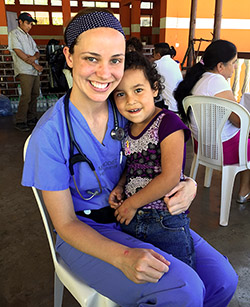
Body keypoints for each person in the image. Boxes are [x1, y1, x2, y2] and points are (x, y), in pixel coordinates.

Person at [22, 9, 237, 306]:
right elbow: (66, 223)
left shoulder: (127, 110)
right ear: (69, 57)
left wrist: (188, 183)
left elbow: (158, 160)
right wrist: (121, 257)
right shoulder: (51, 134)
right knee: (183, 290)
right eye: (91, 58)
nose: (105, 73)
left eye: (115, 60)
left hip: (144, 215)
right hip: (87, 231)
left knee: (223, 280)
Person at [109, 51, 195, 269]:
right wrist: (120, 187)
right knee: (145, 279)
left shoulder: (168, 123)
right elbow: (133, 165)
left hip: (165, 220)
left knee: (180, 276)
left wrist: (131, 203)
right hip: (133, 218)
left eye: (138, 90)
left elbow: (170, 177)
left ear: (154, 88)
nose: (131, 101)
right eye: (120, 94)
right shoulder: (128, 128)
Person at [174, 39, 250, 204]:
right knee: (248, 141)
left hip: (202, 145)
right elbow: (239, 122)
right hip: (223, 148)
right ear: (220, 66)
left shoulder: (200, 78)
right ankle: (244, 192)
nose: (235, 67)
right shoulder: (218, 82)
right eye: (233, 63)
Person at [8, 12, 43, 132]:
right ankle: (20, 120)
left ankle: (31, 117)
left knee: (35, 94)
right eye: (27, 23)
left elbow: (37, 52)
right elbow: (19, 52)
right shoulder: (14, 34)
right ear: (20, 22)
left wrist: (34, 57)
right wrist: (34, 63)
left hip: (34, 70)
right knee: (26, 96)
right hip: (24, 70)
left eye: (31, 24)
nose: (30, 26)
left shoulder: (29, 37)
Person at [153, 42, 183, 112]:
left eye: (153, 54)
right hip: (179, 104)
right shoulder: (175, 64)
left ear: (158, 55)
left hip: (169, 106)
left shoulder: (157, 64)